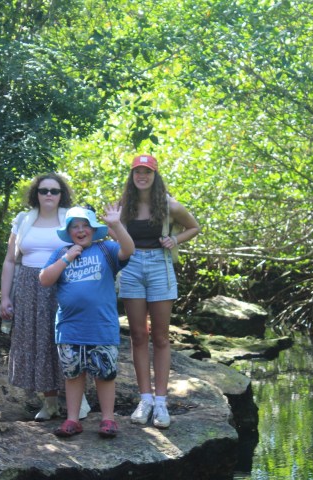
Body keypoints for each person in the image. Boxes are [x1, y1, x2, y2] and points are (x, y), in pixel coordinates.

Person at [0, 173, 90, 421]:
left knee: (67, 341)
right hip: (28, 287)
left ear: (62, 194)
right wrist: (5, 296)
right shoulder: (23, 220)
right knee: (37, 342)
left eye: (55, 191)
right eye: (43, 190)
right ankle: (50, 402)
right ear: (35, 194)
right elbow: (10, 260)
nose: (49, 195)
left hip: (64, 285)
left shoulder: (70, 219)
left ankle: (79, 400)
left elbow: (87, 248)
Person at [118, 154, 200, 429]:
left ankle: (162, 402)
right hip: (130, 267)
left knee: (161, 336)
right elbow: (113, 233)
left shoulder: (168, 205)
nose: (142, 176)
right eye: (137, 172)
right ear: (131, 176)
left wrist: (174, 239)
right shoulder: (123, 206)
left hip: (159, 266)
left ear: (155, 175)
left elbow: (194, 227)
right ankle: (145, 399)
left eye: (147, 172)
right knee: (138, 334)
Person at [39, 205, 134, 438]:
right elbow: (44, 279)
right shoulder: (61, 252)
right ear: (68, 231)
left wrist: (117, 225)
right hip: (70, 328)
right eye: (75, 227)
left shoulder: (106, 249)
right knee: (73, 374)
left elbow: (129, 250)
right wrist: (67, 257)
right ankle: (72, 419)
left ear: (93, 229)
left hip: (101, 326)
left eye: (85, 226)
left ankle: (108, 419)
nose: (80, 230)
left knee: (105, 373)